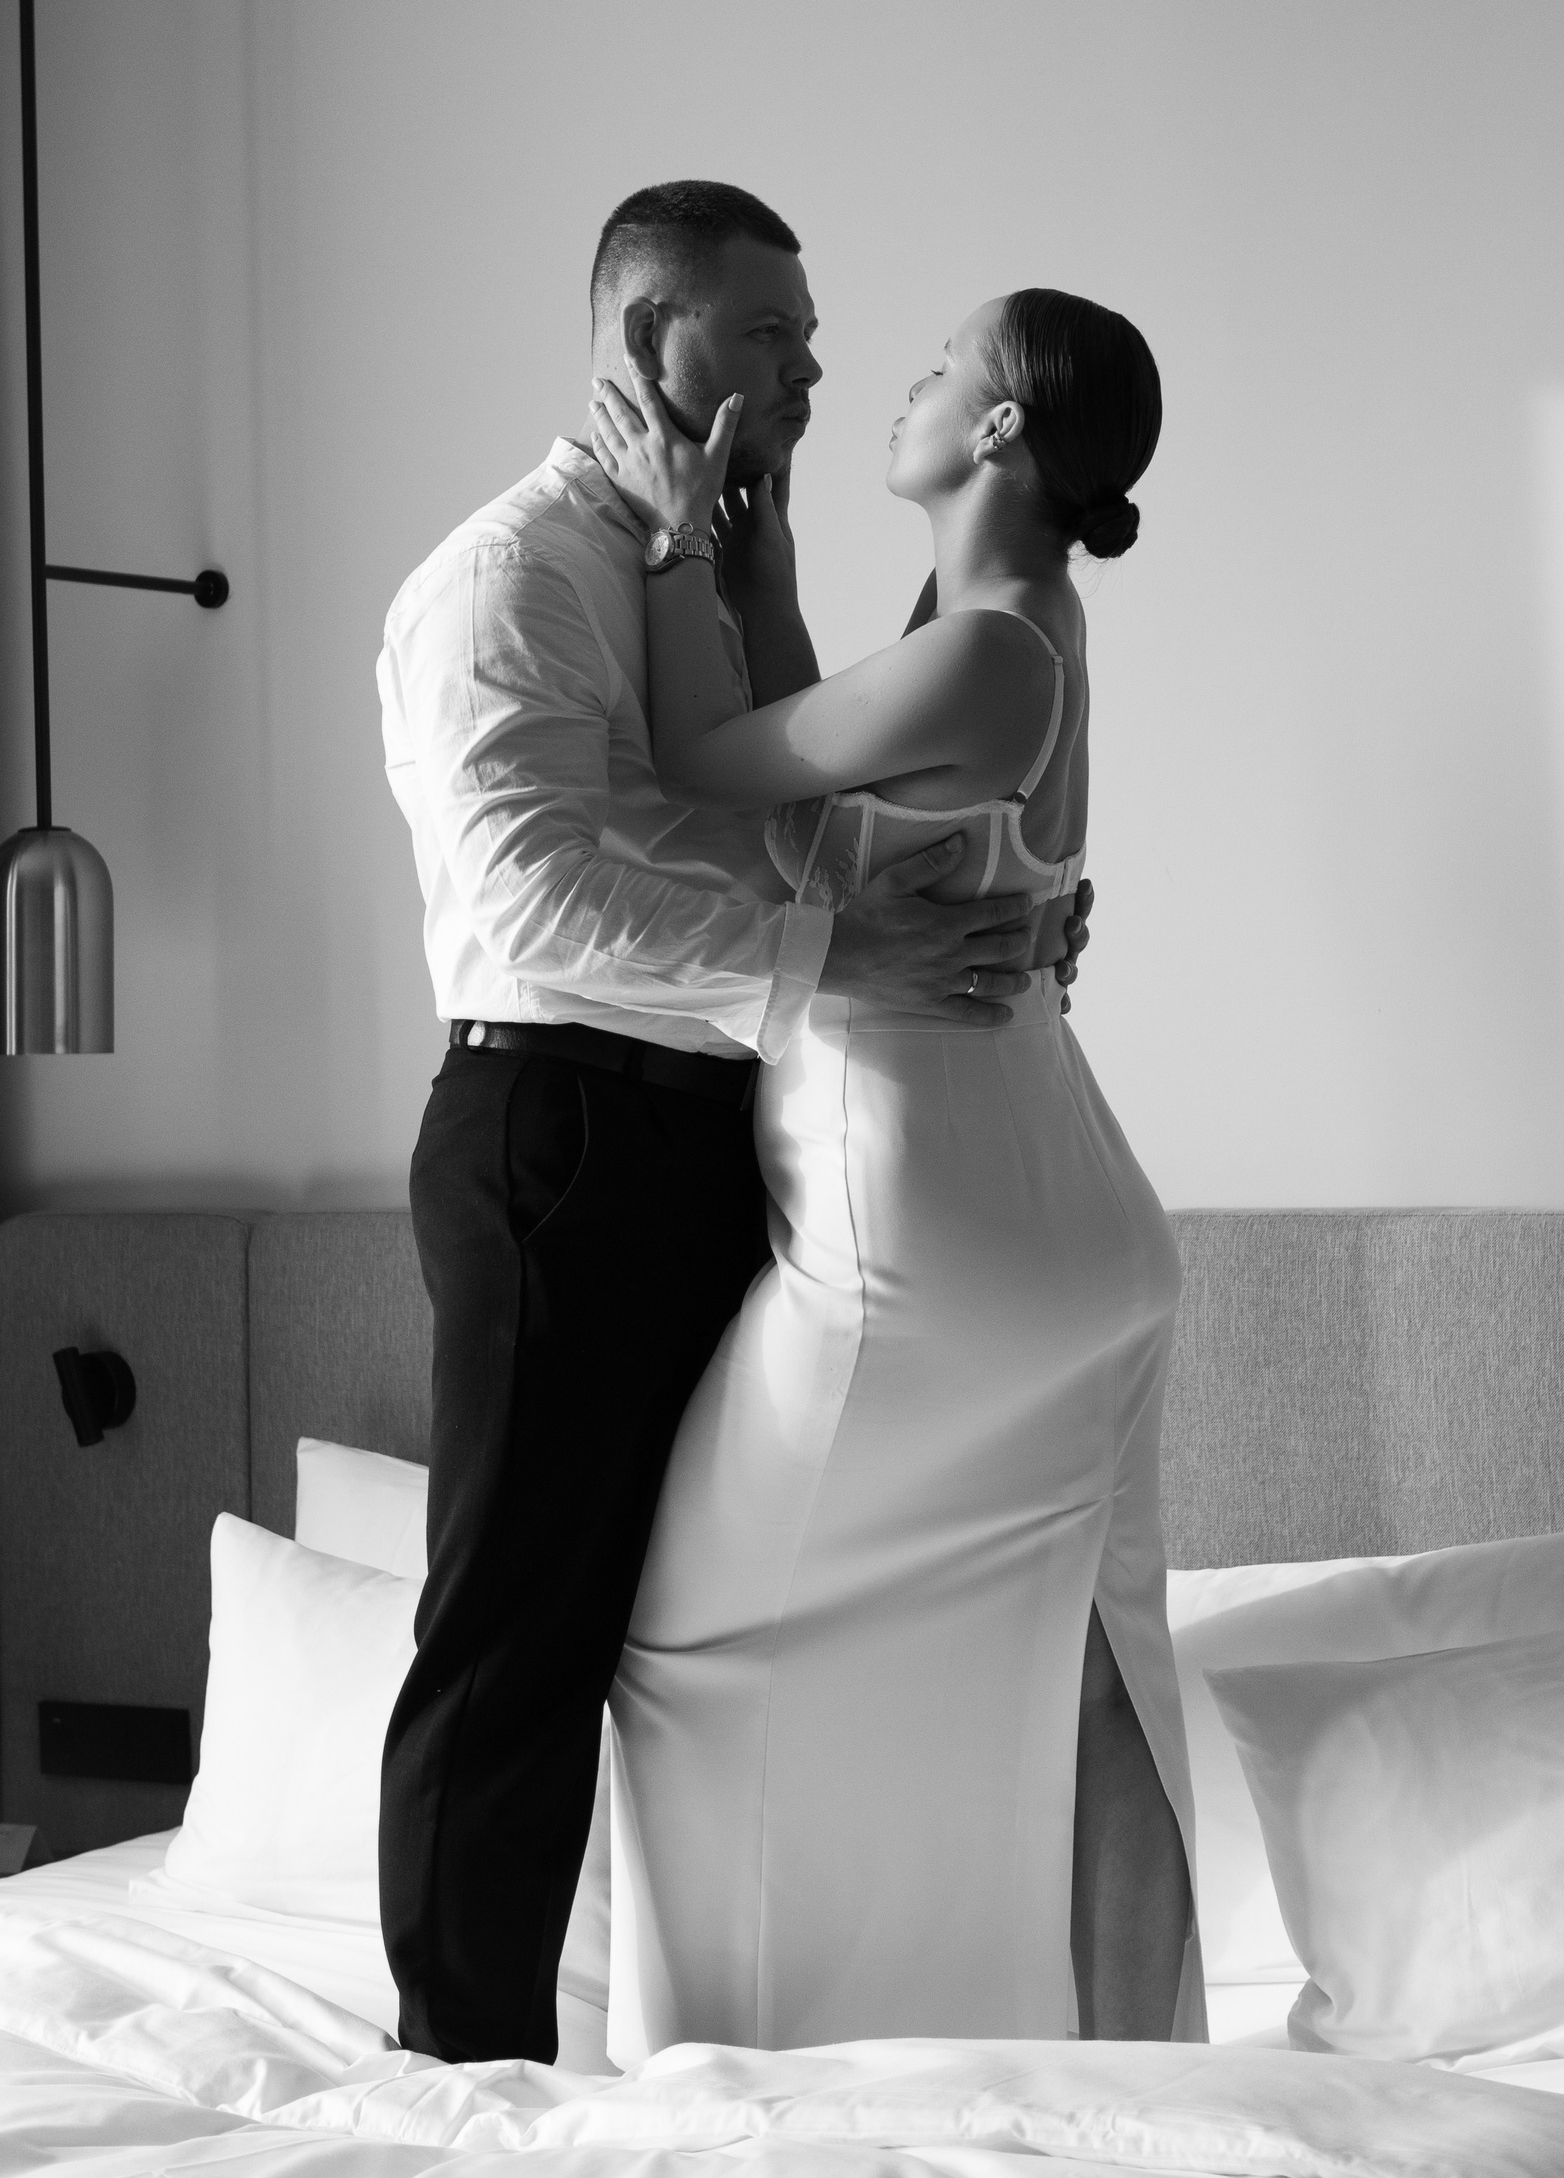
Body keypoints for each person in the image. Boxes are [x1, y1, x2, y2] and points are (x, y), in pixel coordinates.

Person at [375, 183, 1088, 2063]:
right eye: (771, 333)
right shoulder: (513, 576)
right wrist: (850, 944)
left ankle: (692, 2042)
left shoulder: (705, 571)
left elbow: (800, 819)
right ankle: (457, 2086)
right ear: (650, 341)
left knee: (687, 1635)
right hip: (561, 1133)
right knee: (517, 1637)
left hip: (724, 1144)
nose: (815, 369)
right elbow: (535, 897)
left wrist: (1006, 896)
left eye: (815, 336)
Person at [589, 286, 1201, 2056]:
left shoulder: (993, 649)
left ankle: (728, 2071)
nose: (901, 384)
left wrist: (667, 536)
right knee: (1051, 1673)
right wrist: (768, 591)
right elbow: (821, 801)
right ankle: (1064, 2073)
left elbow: (709, 773)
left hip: (924, 1231)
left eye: (940, 366)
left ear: (998, 427)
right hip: (1031, 1202)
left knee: (686, 1652)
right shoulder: (1008, 626)